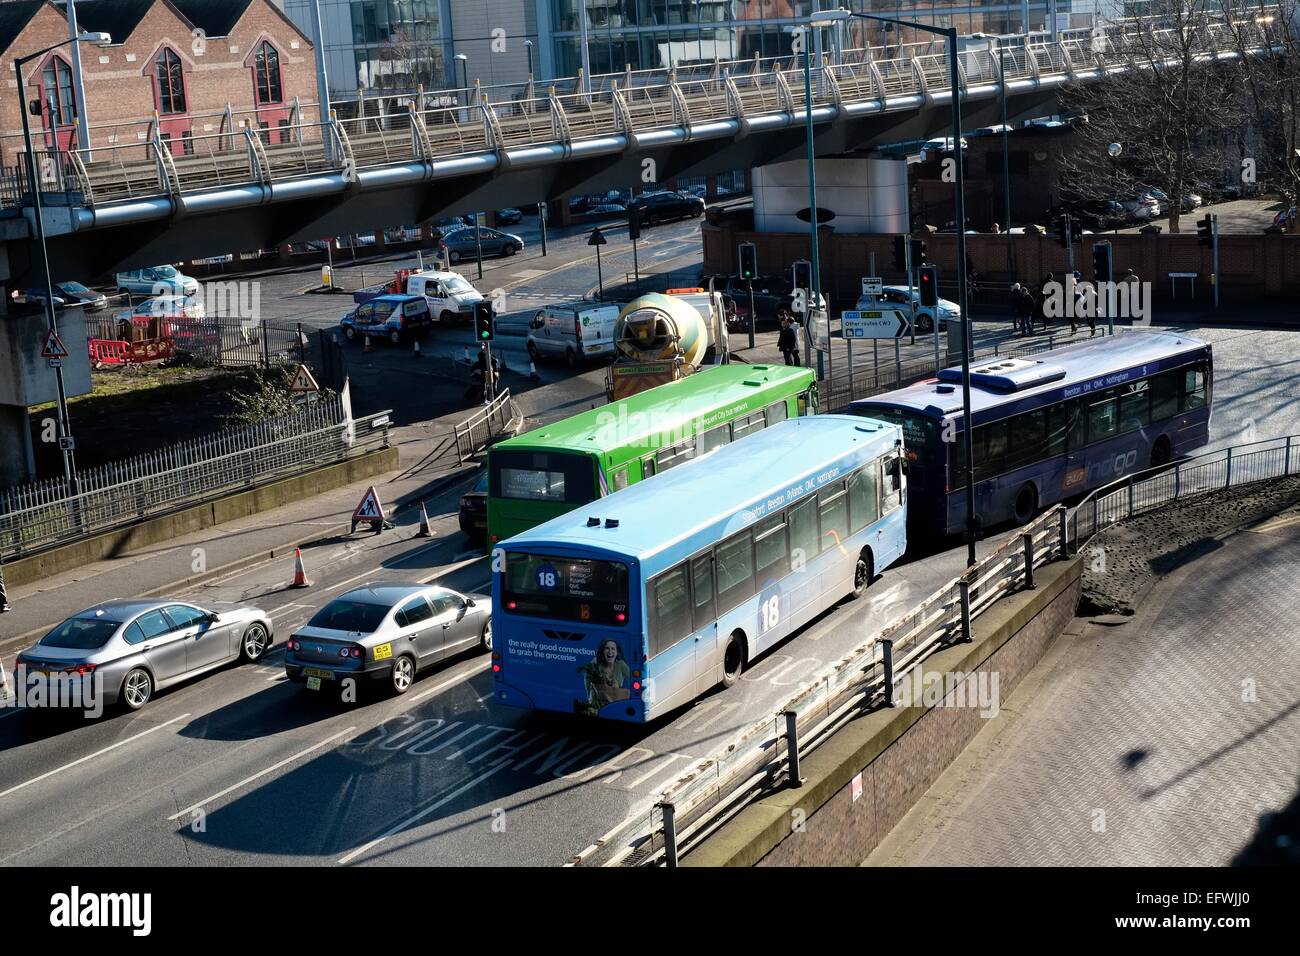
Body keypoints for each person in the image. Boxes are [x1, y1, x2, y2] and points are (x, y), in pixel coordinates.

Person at [576, 639, 630, 716]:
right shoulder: (596, 662)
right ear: (603, 651)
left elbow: (632, 680)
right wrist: (589, 697)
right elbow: (587, 678)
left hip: (614, 704)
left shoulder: (621, 665)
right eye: (607, 648)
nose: (610, 651)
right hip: (597, 706)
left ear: (617, 652)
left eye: (613, 649)